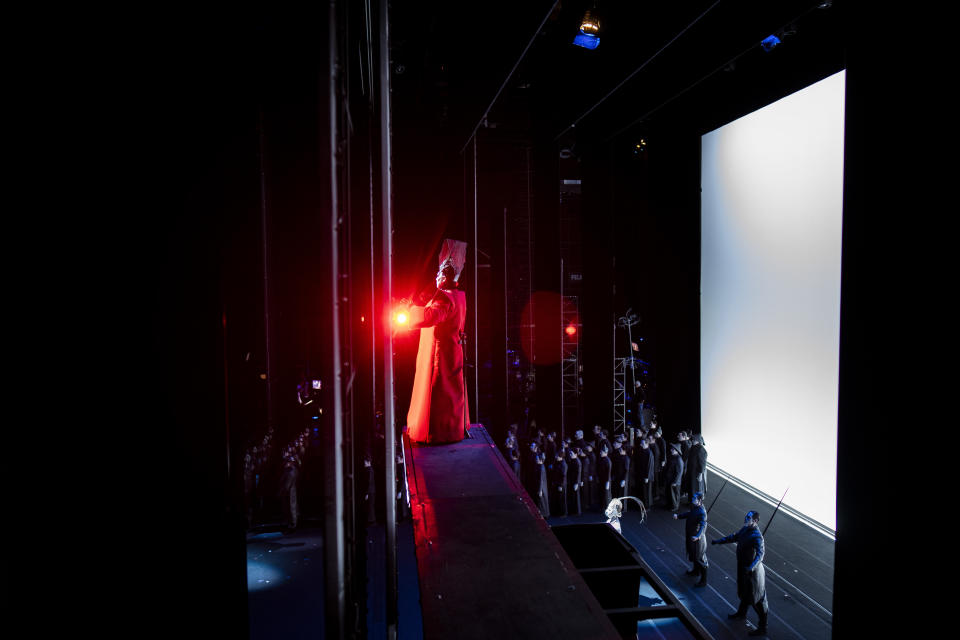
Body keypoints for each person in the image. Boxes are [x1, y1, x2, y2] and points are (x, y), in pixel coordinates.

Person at [405, 239, 470, 444]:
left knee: (439, 394)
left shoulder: (445, 297)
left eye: (439, 273)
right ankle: (454, 428)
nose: (436, 276)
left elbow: (430, 317)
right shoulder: (459, 295)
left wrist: (408, 311)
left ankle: (438, 432)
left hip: (439, 355)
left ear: (444, 275)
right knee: (453, 392)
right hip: (452, 351)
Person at [712, 511, 769, 637]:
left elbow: (760, 555)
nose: (745, 518)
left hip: (754, 573)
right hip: (743, 568)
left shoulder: (757, 536)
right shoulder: (744, 529)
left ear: (755, 521)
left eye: (748, 517)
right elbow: (733, 537)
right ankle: (742, 613)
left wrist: (751, 567)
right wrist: (718, 541)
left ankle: (763, 627)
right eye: (746, 516)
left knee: (757, 599)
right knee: (744, 591)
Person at [674, 492, 708, 587]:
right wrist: (679, 516)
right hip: (691, 536)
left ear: (700, 501)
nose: (692, 500)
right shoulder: (695, 507)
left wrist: (698, 536)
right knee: (693, 555)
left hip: (697, 540)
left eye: (694, 499)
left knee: (700, 558)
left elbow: (703, 525)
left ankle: (703, 580)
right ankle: (696, 571)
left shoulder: (702, 512)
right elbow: (690, 514)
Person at [665, 442, 684, 511]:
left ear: (676, 450)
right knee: (669, 493)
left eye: (673, 449)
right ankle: (670, 504)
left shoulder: (679, 460)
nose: (671, 450)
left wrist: (675, 482)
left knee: (674, 495)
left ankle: (675, 506)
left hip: (674, 481)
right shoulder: (672, 457)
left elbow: (679, 473)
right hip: (669, 479)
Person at [687, 434, 708, 499]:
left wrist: (700, 474)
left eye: (693, 439)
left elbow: (702, 463)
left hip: (697, 473)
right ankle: (691, 502)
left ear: (698, 441)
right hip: (692, 471)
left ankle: (696, 504)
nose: (692, 441)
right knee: (691, 487)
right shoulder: (693, 447)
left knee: (696, 488)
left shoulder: (701, 449)